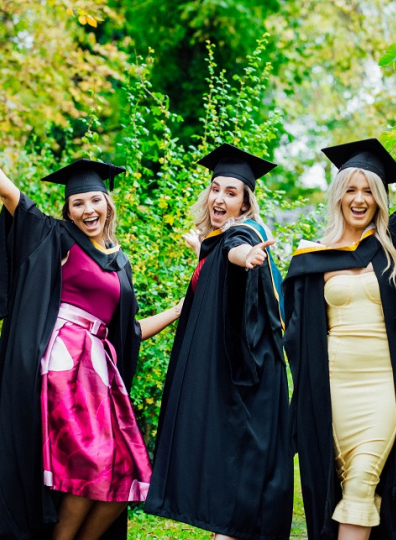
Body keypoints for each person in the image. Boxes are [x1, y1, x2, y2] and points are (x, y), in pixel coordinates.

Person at [0, 107, 181, 540]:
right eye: (78, 202)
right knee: (92, 467)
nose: (88, 208)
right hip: (62, 367)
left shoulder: (121, 263)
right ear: (69, 210)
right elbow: (9, 192)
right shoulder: (56, 237)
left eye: (95, 200)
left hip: (100, 372)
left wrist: (176, 310)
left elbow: (126, 333)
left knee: (125, 472)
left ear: (108, 202)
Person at [282, 69, 396, 540]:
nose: (359, 199)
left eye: (368, 191)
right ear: (339, 196)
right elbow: (294, 332)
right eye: (351, 190)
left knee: (362, 481)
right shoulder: (311, 256)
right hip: (333, 386)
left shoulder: (392, 240)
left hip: (382, 387)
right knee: (343, 490)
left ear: (379, 198)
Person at [144, 143, 293, 540]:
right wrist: (202, 251)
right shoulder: (215, 241)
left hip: (247, 378)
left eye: (231, 192)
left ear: (245, 204)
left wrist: (246, 257)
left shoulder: (243, 236)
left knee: (238, 483)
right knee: (228, 476)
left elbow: (236, 249)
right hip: (235, 375)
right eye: (215, 188)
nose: (220, 197)